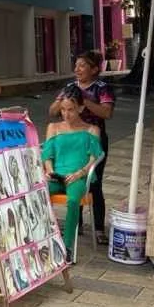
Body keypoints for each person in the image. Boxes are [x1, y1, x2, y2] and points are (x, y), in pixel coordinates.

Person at [48, 50, 115, 245]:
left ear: (94, 69)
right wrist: (66, 100)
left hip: (92, 139)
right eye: (76, 65)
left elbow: (106, 112)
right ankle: (75, 224)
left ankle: (99, 228)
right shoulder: (69, 87)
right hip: (69, 141)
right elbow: (52, 111)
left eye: (82, 65)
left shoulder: (102, 88)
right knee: (68, 176)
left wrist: (83, 101)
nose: (77, 69)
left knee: (94, 183)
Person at [42, 89, 103, 259]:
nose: (66, 114)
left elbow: (94, 158)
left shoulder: (92, 130)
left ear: (81, 108)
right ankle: (41, 238)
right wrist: (49, 171)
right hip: (57, 175)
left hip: (78, 176)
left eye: (71, 110)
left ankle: (67, 246)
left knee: (74, 200)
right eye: (63, 110)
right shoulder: (53, 127)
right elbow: (47, 154)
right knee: (38, 194)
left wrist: (80, 173)